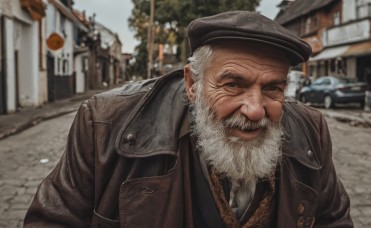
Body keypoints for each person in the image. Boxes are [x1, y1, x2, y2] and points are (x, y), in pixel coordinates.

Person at [24, 11, 352, 227]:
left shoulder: (311, 132)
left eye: (273, 88)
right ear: (192, 84)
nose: (254, 109)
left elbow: (334, 221)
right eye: (233, 84)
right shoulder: (104, 125)